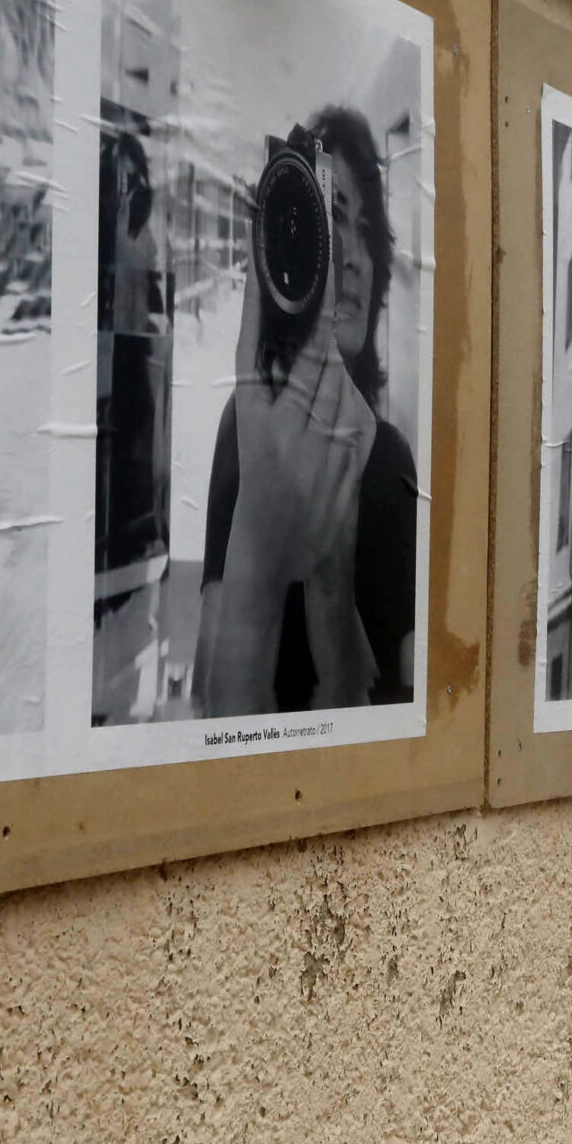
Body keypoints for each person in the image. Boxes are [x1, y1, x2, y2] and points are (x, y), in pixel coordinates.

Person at [194, 107, 418, 716]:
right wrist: (262, 549)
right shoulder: (245, 429)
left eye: (367, 234)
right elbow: (206, 704)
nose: (352, 256)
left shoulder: (391, 457)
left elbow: (410, 700)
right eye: (333, 220)